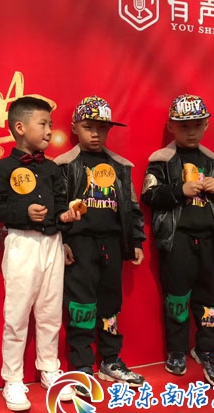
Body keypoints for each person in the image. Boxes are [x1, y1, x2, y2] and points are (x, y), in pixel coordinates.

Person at [0, 96, 80, 411]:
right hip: (22, 243)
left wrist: (64, 217)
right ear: (20, 127)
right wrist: (25, 212)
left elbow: (59, 204)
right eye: (43, 124)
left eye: (50, 125)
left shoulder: (52, 168)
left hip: (52, 243)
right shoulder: (3, 167)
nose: (49, 131)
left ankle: (49, 368)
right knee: (16, 314)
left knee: (51, 311)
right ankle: (13, 378)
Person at [54, 96, 146, 395]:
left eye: (102, 128)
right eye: (88, 127)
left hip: (112, 244)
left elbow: (131, 206)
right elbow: (57, 206)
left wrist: (135, 241)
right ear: (74, 128)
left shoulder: (120, 166)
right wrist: (61, 241)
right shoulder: (64, 165)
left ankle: (110, 359)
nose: (95, 134)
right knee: (80, 304)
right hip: (79, 244)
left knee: (110, 304)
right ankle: (81, 365)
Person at [141, 94, 214, 386]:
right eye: (184, 126)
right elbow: (148, 195)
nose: (191, 131)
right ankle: (177, 350)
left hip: (207, 239)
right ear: (171, 127)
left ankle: (208, 350)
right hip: (176, 239)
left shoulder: (213, 162)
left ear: (206, 125)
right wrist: (179, 190)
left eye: (197, 125)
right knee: (177, 297)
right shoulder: (161, 160)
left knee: (210, 298)